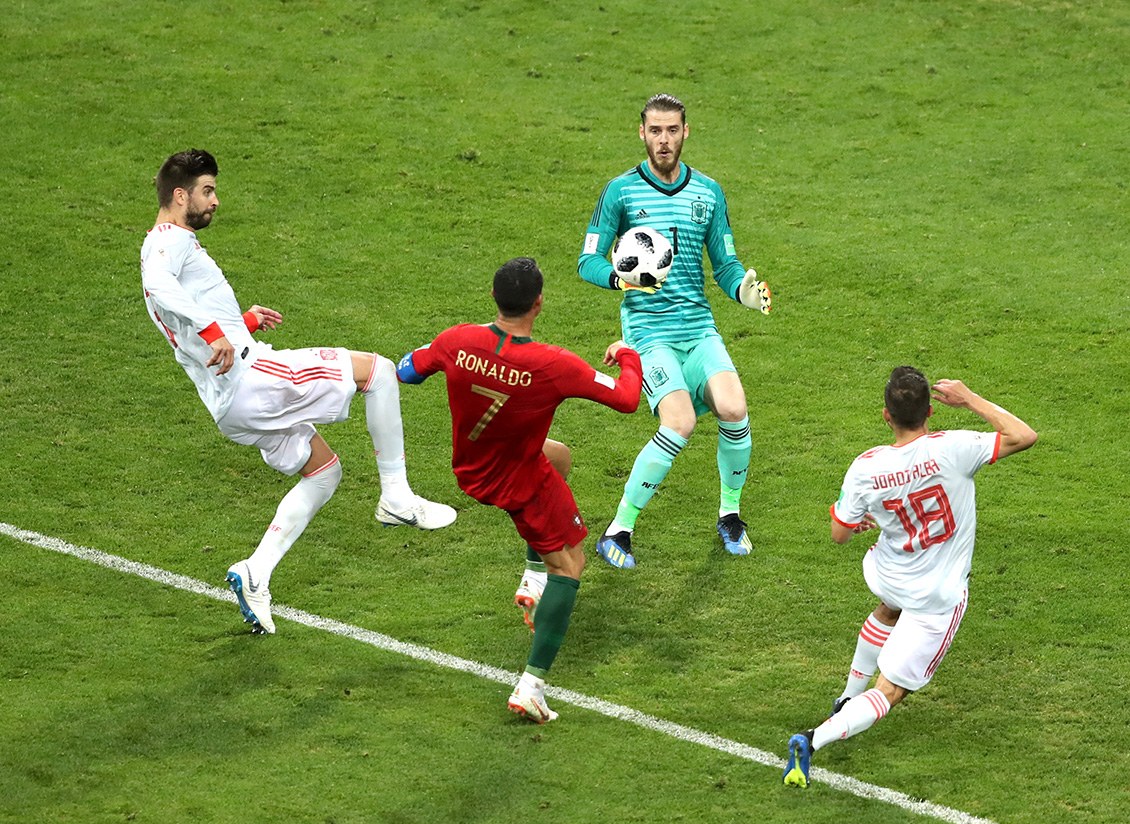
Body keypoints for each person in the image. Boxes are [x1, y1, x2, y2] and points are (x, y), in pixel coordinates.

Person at [140, 149, 456, 636]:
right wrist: (215, 331)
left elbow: (181, 320)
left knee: (324, 472)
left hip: (229, 405)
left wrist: (237, 324)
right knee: (379, 372)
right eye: (207, 191)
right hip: (253, 379)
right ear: (179, 196)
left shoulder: (167, 245)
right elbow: (160, 286)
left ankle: (255, 573)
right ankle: (397, 497)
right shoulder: (168, 243)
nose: (215, 201)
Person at [395, 257, 642, 722]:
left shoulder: (456, 340)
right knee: (571, 564)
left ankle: (533, 578)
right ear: (539, 303)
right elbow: (627, 399)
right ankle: (532, 686)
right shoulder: (553, 364)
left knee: (560, 456)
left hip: (472, 467)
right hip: (517, 477)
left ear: (494, 298)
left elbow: (408, 371)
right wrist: (628, 354)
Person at [782, 366, 1037, 788]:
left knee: (889, 607)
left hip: (888, 574)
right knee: (890, 691)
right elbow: (1023, 436)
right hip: (936, 595)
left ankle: (847, 695)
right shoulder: (956, 448)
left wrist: (868, 519)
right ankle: (813, 739)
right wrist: (970, 397)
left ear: (886, 415)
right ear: (931, 411)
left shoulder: (866, 467)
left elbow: (839, 534)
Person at [577, 92, 773, 570]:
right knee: (680, 422)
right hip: (648, 332)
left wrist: (742, 291)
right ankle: (618, 528)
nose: (663, 140)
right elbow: (586, 261)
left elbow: (724, 266)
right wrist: (621, 278)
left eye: (672, 131)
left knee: (735, 408)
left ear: (686, 132)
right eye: (655, 131)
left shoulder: (708, 192)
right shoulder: (620, 191)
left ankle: (730, 515)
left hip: (698, 326)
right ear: (641, 132)